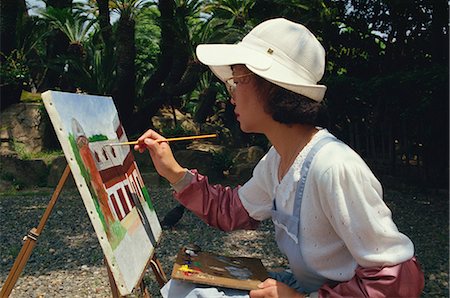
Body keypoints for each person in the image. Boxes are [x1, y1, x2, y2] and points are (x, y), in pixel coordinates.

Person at [135, 18, 424, 298]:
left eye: (236, 81)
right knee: (183, 289)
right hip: (303, 286)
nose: (230, 96)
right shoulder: (278, 159)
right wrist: (174, 172)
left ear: (271, 85)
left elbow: (399, 279)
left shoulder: (333, 167)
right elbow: (233, 209)